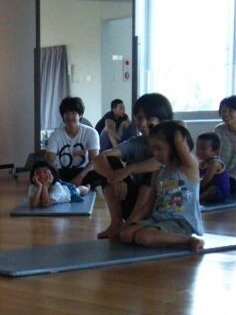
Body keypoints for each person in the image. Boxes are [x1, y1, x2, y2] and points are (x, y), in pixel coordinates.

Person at [92, 93, 174, 239]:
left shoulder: (173, 142)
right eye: (139, 118)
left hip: (165, 206)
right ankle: (117, 223)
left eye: (149, 118)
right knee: (109, 162)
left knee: (153, 172)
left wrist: (128, 170)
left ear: (161, 118)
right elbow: (98, 159)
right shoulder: (136, 142)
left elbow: (160, 162)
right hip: (136, 204)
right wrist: (114, 177)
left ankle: (131, 223)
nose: (143, 123)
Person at [119, 121, 204, 252]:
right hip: (157, 219)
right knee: (126, 234)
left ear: (174, 147)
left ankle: (188, 240)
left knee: (143, 237)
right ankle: (161, 237)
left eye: (159, 148)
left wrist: (176, 129)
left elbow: (179, 141)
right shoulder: (158, 173)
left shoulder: (188, 168)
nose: (155, 153)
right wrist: (128, 223)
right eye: (152, 149)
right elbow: (148, 205)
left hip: (179, 222)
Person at [46, 96, 100, 188]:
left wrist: (80, 177)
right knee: (43, 172)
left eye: (73, 113)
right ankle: (77, 188)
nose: (70, 117)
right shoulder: (55, 135)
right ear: (62, 116)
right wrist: (58, 179)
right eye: (66, 113)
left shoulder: (91, 133)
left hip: (84, 171)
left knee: (101, 169)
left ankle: (84, 187)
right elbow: (50, 161)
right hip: (62, 172)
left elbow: (94, 161)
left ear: (80, 115)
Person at [196, 132, 230, 204]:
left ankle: (197, 198)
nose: (199, 151)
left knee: (213, 190)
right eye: (197, 148)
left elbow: (205, 181)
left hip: (219, 192)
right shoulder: (202, 163)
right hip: (206, 187)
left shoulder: (214, 163)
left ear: (215, 151)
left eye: (203, 148)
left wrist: (195, 190)